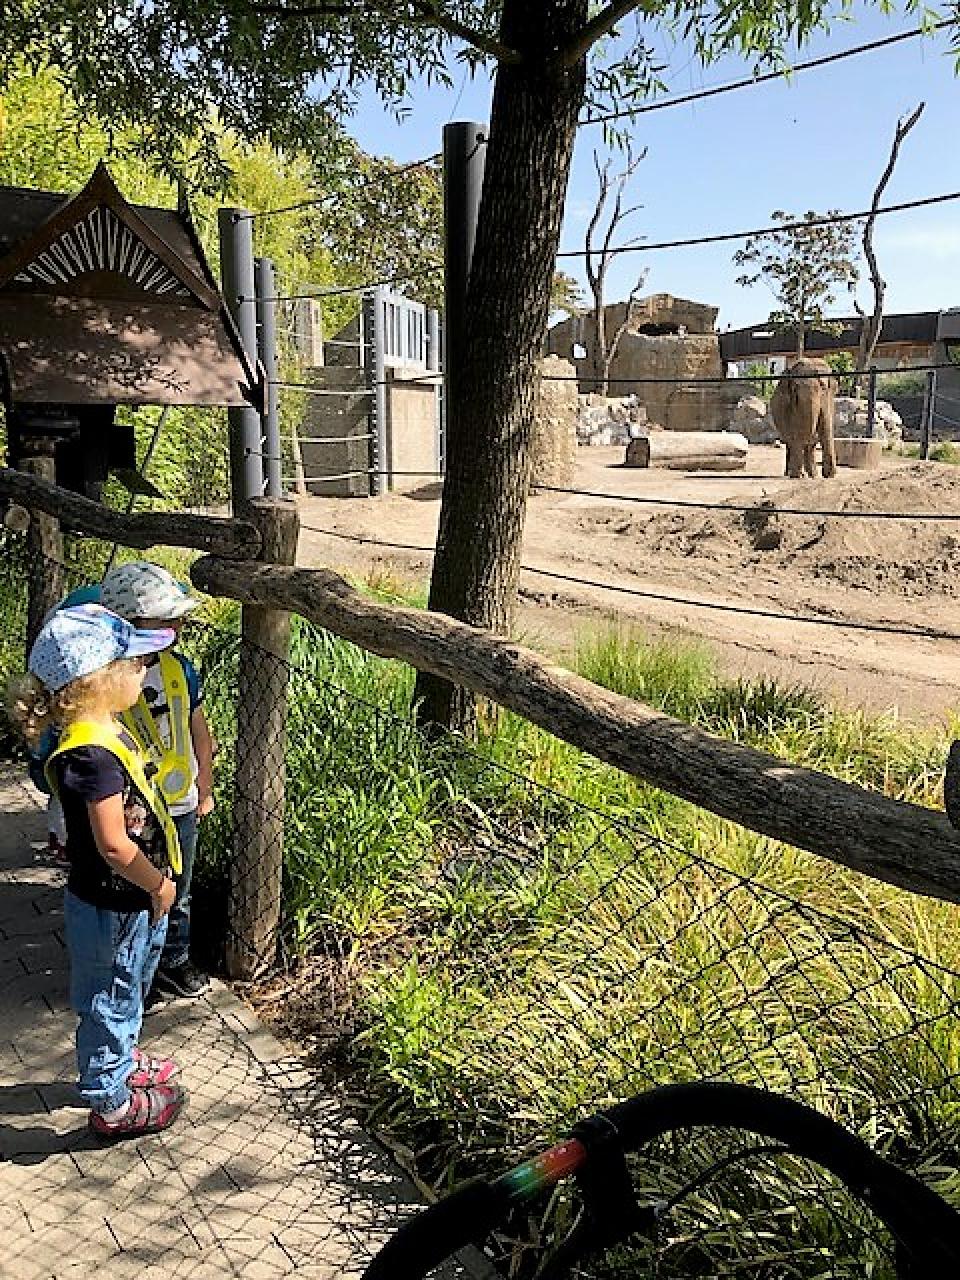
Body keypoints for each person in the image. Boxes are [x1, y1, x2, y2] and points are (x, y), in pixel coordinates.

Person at [7, 603, 186, 1139]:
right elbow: (112, 844)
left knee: (128, 988)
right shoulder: (90, 756)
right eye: (134, 663)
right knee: (109, 998)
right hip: (116, 902)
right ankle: (111, 1101)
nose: (144, 670)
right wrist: (159, 884)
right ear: (97, 681)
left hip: (133, 900)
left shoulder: (104, 730)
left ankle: (121, 1058)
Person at [100, 562, 214, 1002]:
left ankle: (173, 962)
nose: (176, 627)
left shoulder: (179, 669)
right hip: (133, 810)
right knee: (134, 890)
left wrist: (205, 786)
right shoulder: (105, 677)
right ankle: (134, 975)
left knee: (178, 889)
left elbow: (198, 729)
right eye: (164, 619)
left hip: (180, 801)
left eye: (176, 618)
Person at [28, 583, 103, 858]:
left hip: (53, 746)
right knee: (68, 791)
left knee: (60, 791)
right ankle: (64, 842)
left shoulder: (61, 619)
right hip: (67, 743)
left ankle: (58, 839)